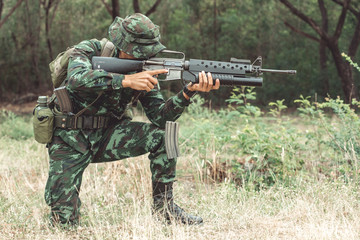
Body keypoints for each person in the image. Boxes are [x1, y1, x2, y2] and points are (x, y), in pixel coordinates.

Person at [45, 13, 220, 227]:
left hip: (108, 136)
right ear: (123, 46)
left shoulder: (144, 69)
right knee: (63, 224)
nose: (142, 58)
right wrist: (126, 81)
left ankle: (165, 208)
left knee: (168, 135)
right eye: (138, 53)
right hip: (69, 139)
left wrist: (187, 93)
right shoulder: (89, 49)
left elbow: (160, 117)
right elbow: (76, 79)